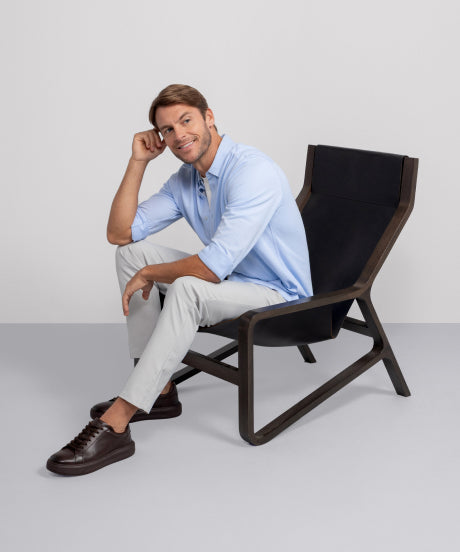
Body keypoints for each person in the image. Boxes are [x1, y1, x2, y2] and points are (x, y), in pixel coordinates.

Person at [46, 84, 313, 476]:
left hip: (281, 297)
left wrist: (151, 274)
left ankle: (119, 419)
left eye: (186, 120)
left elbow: (211, 268)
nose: (178, 134)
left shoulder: (252, 171)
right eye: (167, 129)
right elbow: (120, 233)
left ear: (209, 117)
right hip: (234, 281)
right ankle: (159, 390)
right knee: (131, 254)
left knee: (187, 287)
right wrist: (138, 162)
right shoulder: (186, 180)